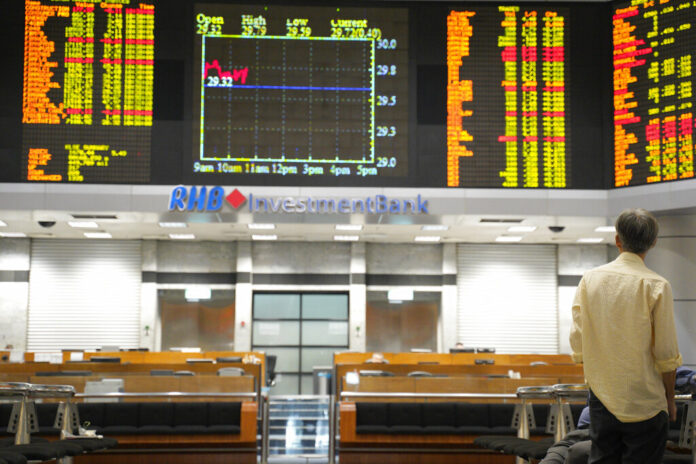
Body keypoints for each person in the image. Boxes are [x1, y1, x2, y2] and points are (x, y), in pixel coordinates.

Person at [569, 208, 682, 464]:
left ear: (617, 239)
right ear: (653, 242)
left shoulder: (590, 280)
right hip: (646, 402)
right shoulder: (656, 285)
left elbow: (578, 339)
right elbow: (665, 352)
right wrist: (670, 399)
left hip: (602, 398)